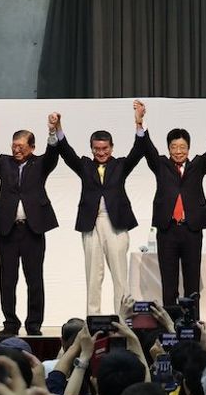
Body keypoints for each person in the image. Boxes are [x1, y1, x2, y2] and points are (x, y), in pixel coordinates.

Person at [52, 102, 147, 314]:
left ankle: (123, 320)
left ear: (112, 148)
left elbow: (139, 150)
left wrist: (139, 122)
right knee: (93, 276)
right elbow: (66, 152)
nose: (101, 152)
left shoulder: (121, 164)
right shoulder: (85, 165)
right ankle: (93, 320)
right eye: (97, 149)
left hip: (116, 224)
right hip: (91, 223)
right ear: (91, 148)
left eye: (105, 148)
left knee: (120, 276)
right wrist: (58, 128)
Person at [0, 117, 61, 336]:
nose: (16, 150)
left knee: (34, 279)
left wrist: (53, 133)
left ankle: (34, 324)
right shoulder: (5, 163)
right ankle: (10, 323)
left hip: (33, 230)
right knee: (7, 279)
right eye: (14, 146)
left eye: (21, 147)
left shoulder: (40, 163)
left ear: (32, 148)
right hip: (7, 229)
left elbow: (53, 155)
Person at [140, 106, 206, 310]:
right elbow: (146, 147)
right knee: (169, 283)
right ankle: (170, 323)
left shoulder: (198, 165)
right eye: (174, 147)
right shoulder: (160, 164)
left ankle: (192, 325)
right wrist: (140, 123)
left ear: (189, 148)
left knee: (192, 281)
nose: (178, 151)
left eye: (183, 147)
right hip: (167, 230)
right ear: (168, 148)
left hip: (191, 230)